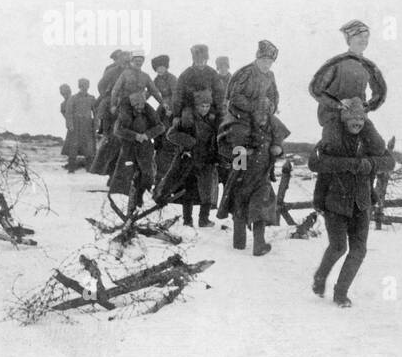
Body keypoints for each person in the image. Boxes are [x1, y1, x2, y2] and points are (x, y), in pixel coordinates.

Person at [308, 98, 394, 306]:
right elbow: (317, 166)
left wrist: (369, 163)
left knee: (359, 250)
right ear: (345, 120)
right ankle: (320, 277)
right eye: (353, 119)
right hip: (335, 204)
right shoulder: (333, 141)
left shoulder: (369, 142)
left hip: (361, 204)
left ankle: (341, 293)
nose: (357, 123)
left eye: (361, 119)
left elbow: (389, 161)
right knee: (338, 247)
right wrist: (319, 200)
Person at [217, 95, 289, 255]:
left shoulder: (272, 129)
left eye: (265, 115)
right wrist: (243, 152)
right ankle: (238, 244)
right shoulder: (241, 131)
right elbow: (225, 150)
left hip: (261, 178)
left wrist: (279, 150)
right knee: (240, 210)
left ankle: (259, 244)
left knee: (260, 209)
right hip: (241, 178)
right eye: (259, 114)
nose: (262, 118)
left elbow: (278, 147)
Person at [156, 89, 220, 227]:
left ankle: (204, 220)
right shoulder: (187, 120)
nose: (205, 109)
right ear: (196, 106)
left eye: (207, 106)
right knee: (188, 191)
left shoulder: (212, 119)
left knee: (207, 190)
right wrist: (189, 142)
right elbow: (170, 134)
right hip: (189, 159)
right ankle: (187, 221)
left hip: (206, 159)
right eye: (202, 106)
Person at [308, 20, 388, 125]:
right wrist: (338, 104)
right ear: (349, 40)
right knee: (333, 140)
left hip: (357, 117)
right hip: (333, 117)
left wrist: (368, 106)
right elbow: (315, 89)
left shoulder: (369, 66)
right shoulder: (336, 63)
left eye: (366, 37)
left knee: (376, 141)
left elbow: (380, 92)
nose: (363, 40)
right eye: (359, 36)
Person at [108, 88, 166, 210]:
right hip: (128, 148)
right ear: (132, 105)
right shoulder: (124, 114)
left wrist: (147, 135)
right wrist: (135, 136)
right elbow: (117, 130)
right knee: (127, 173)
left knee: (147, 174)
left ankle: (140, 197)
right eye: (137, 105)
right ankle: (125, 202)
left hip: (145, 148)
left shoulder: (149, 112)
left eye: (142, 104)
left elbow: (160, 127)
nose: (140, 107)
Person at [88, 49, 129, 174]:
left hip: (127, 104)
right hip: (112, 105)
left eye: (126, 59)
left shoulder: (131, 70)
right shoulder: (111, 70)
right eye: (121, 58)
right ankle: (108, 171)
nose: (123, 61)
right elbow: (101, 85)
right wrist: (110, 96)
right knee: (112, 138)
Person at [223, 40, 280, 127]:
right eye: (264, 61)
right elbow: (234, 97)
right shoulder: (246, 73)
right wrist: (255, 105)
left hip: (261, 115)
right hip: (240, 114)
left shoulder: (270, 75)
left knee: (279, 130)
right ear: (258, 59)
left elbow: (273, 95)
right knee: (242, 134)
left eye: (270, 62)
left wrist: (271, 107)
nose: (267, 65)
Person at [111, 49, 169, 117]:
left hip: (141, 104)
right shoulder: (125, 74)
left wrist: (162, 103)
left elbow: (154, 91)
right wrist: (113, 105)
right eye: (136, 61)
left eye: (140, 61)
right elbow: (115, 90)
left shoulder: (145, 76)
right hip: (126, 103)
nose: (139, 63)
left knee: (155, 119)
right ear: (132, 61)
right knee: (124, 120)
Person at [174, 44, 222, 119]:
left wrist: (214, 111)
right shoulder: (185, 75)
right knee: (187, 121)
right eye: (198, 61)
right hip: (190, 107)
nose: (201, 63)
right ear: (194, 60)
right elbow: (178, 95)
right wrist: (176, 115)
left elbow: (219, 94)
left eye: (203, 60)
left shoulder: (212, 73)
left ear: (206, 60)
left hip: (209, 108)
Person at [63, 78, 98, 172]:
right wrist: (70, 125)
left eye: (86, 85)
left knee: (89, 148)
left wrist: (96, 125)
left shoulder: (91, 98)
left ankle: (90, 169)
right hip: (76, 125)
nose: (84, 88)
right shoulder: (73, 98)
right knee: (73, 147)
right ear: (79, 86)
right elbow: (68, 113)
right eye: (82, 86)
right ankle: (71, 169)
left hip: (87, 125)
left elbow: (95, 112)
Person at [57, 84, 73, 159]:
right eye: (63, 94)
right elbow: (66, 117)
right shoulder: (63, 105)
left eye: (66, 93)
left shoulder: (76, 99)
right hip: (71, 126)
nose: (65, 95)